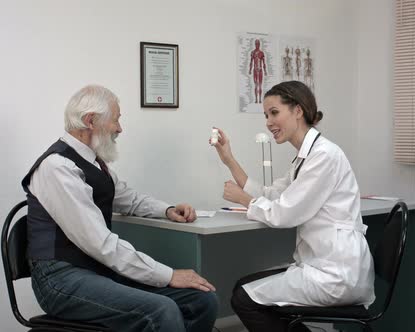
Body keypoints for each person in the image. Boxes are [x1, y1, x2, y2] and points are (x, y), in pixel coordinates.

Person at [22, 85, 218, 331]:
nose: (119, 128)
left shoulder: (92, 161)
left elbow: (128, 198)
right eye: (115, 120)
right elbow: (99, 243)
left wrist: (167, 210)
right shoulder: (58, 167)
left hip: (95, 269)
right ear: (90, 120)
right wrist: (168, 275)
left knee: (201, 300)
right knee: (161, 310)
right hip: (60, 279)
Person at [211, 81, 374, 332]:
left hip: (335, 273)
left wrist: (244, 199)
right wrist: (229, 160)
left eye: (274, 112)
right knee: (244, 289)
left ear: (298, 111)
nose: (268, 122)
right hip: (323, 265)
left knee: (244, 298)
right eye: (266, 115)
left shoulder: (324, 156)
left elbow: (283, 214)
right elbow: (272, 194)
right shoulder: (306, 157)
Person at [249, 39, 267, 103]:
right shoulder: (253, 52)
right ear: (255, 44)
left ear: (259, 44)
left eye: (258, 44)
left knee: (260, 85)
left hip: (260, 70)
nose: (257, 45)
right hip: (255, 70)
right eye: (256, 44)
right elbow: (251, 62)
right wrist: (250, 70)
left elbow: (264, 63)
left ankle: (260, 99)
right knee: (256, 85)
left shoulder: (261, 53)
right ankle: (256, 99)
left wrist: (265, 71)